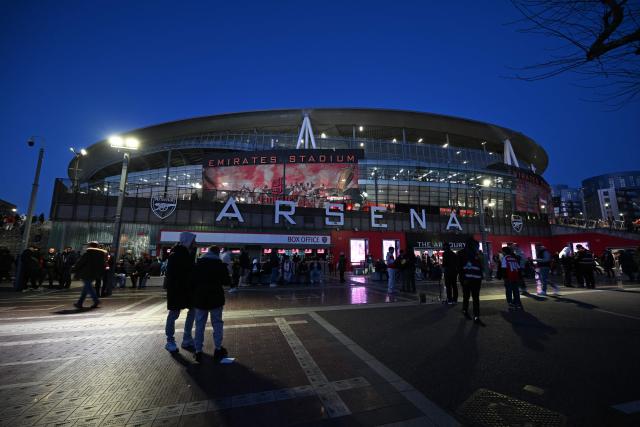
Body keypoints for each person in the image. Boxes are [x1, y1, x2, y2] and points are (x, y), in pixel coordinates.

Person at [192, 246, 229, 363]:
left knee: (199, 324)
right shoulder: (220, 264)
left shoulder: (198, 263)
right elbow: (226, 281)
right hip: (216, 298)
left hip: (200, 298)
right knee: (217, 323)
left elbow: (192, 280)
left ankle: (198, 351)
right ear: (217, 253)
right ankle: (218, 348)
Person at [164, 232, 197, 353]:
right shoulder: (176, 255)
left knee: (191, 311)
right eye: (193, 241)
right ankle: (170, 340)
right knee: (174, 314)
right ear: (188, 241)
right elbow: (173, 275)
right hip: (177, 290)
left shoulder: (188, 253)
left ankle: (186, 338)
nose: (195, 243)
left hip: (186, 289)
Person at [72, 242, 105, 309]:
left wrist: (74, 269)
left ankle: (96, 301)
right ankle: (80, 303)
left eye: (88, 245)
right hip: (94, 274)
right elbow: (102, 265)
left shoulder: (88, 254)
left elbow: (80, 263)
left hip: (86, 273)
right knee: (86, 288)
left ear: (90, 246)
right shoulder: (100, 254)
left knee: (88, 287)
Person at [460, 238, 484, 324]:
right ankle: (474, 315)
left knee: (469, 297)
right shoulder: (468, 254)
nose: (477, 247)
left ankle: (469, 313)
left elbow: (481, 266)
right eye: (476, 245)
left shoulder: (473, 253)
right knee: (473, 297)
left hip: (471, 279)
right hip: (472, 279)